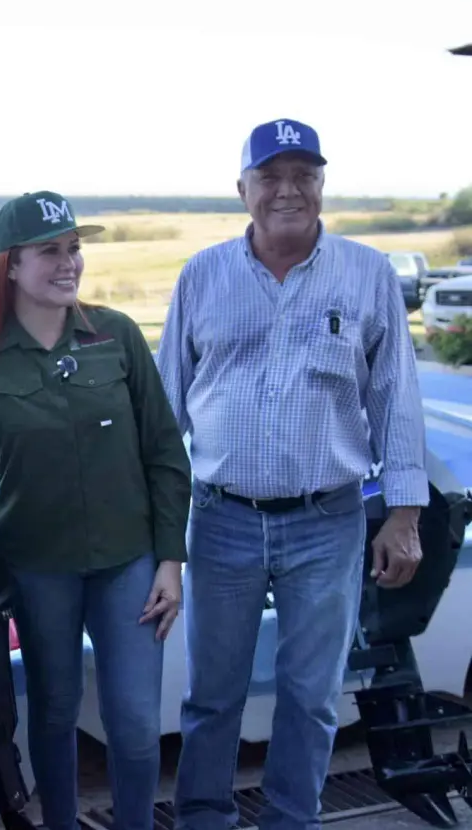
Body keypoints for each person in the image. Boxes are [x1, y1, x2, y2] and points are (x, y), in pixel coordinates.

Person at [158, 119, 428, 830]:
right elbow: (165, 415)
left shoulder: (366, 274)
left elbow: (397, 398)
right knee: (212, 695)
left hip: (328, 521)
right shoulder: (202, 276)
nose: (287, 190)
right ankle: (204, 820)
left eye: (303, 175)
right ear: (242, 188)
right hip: (221, 521)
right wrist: (158, 533)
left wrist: (404, 515)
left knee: (312, 694)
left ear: (321, 185)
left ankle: (291, 821)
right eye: (270, 176)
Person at [0, 191, 192, 830]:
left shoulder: (118, 335)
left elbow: (164, 452)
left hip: (129, 560)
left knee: (133, 719)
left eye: (74, 248)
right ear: (10, 266)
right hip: (35, 562)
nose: (68, 262)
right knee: (53, 710)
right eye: (50, 251)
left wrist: (170, 560)